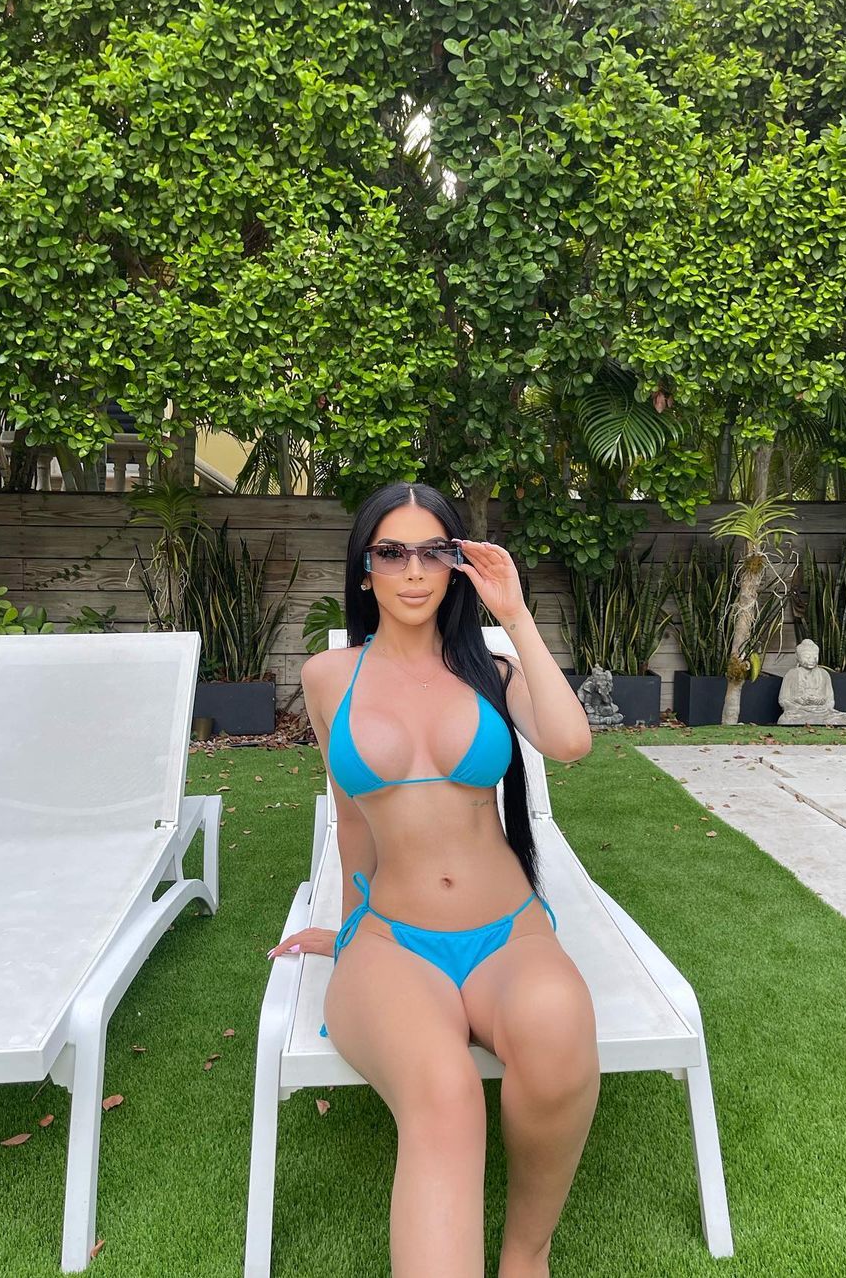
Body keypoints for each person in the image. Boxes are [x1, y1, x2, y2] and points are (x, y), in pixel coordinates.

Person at [268, 481, 600, 1278]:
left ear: (456, 565)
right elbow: (352, 821)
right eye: (392, 552)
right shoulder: (329, 677)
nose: (413, 571)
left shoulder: (489, 669)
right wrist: (350, 927)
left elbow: (571, 742)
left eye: (433, 551)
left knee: (559, 1032)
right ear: (364, 568)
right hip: (395, 942)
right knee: (445, 1094)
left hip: (509, 931)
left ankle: (526, 1256)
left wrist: (514, 615)